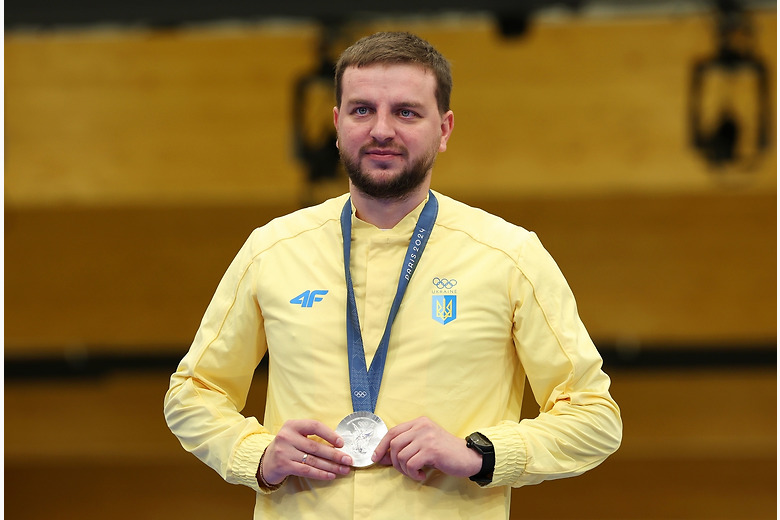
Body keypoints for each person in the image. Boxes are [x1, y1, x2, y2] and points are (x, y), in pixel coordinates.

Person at [164, 31, 622, 519]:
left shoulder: (509, 256)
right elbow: (193, 393)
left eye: (406, 112)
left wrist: (480, 454)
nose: (381, 130)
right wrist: (255, 455)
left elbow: (594, 417)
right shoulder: (272, 250)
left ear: (444, 129)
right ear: (337, 124)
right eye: (362, 110)